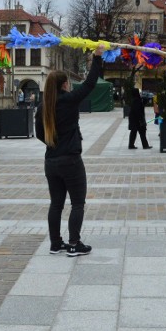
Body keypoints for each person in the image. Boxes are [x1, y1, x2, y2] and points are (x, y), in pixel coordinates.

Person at [35, 44, 105, 256]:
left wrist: (54, 142)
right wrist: (97, 57)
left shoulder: (43, 106)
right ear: (64, 85)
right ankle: (74, 244)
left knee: (56, 204)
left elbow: (39, 134)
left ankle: (56, 243)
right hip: (71, 161)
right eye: (68, 83)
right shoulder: (68, 100)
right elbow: (90, 84)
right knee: (77, 203)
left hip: (51, 161)